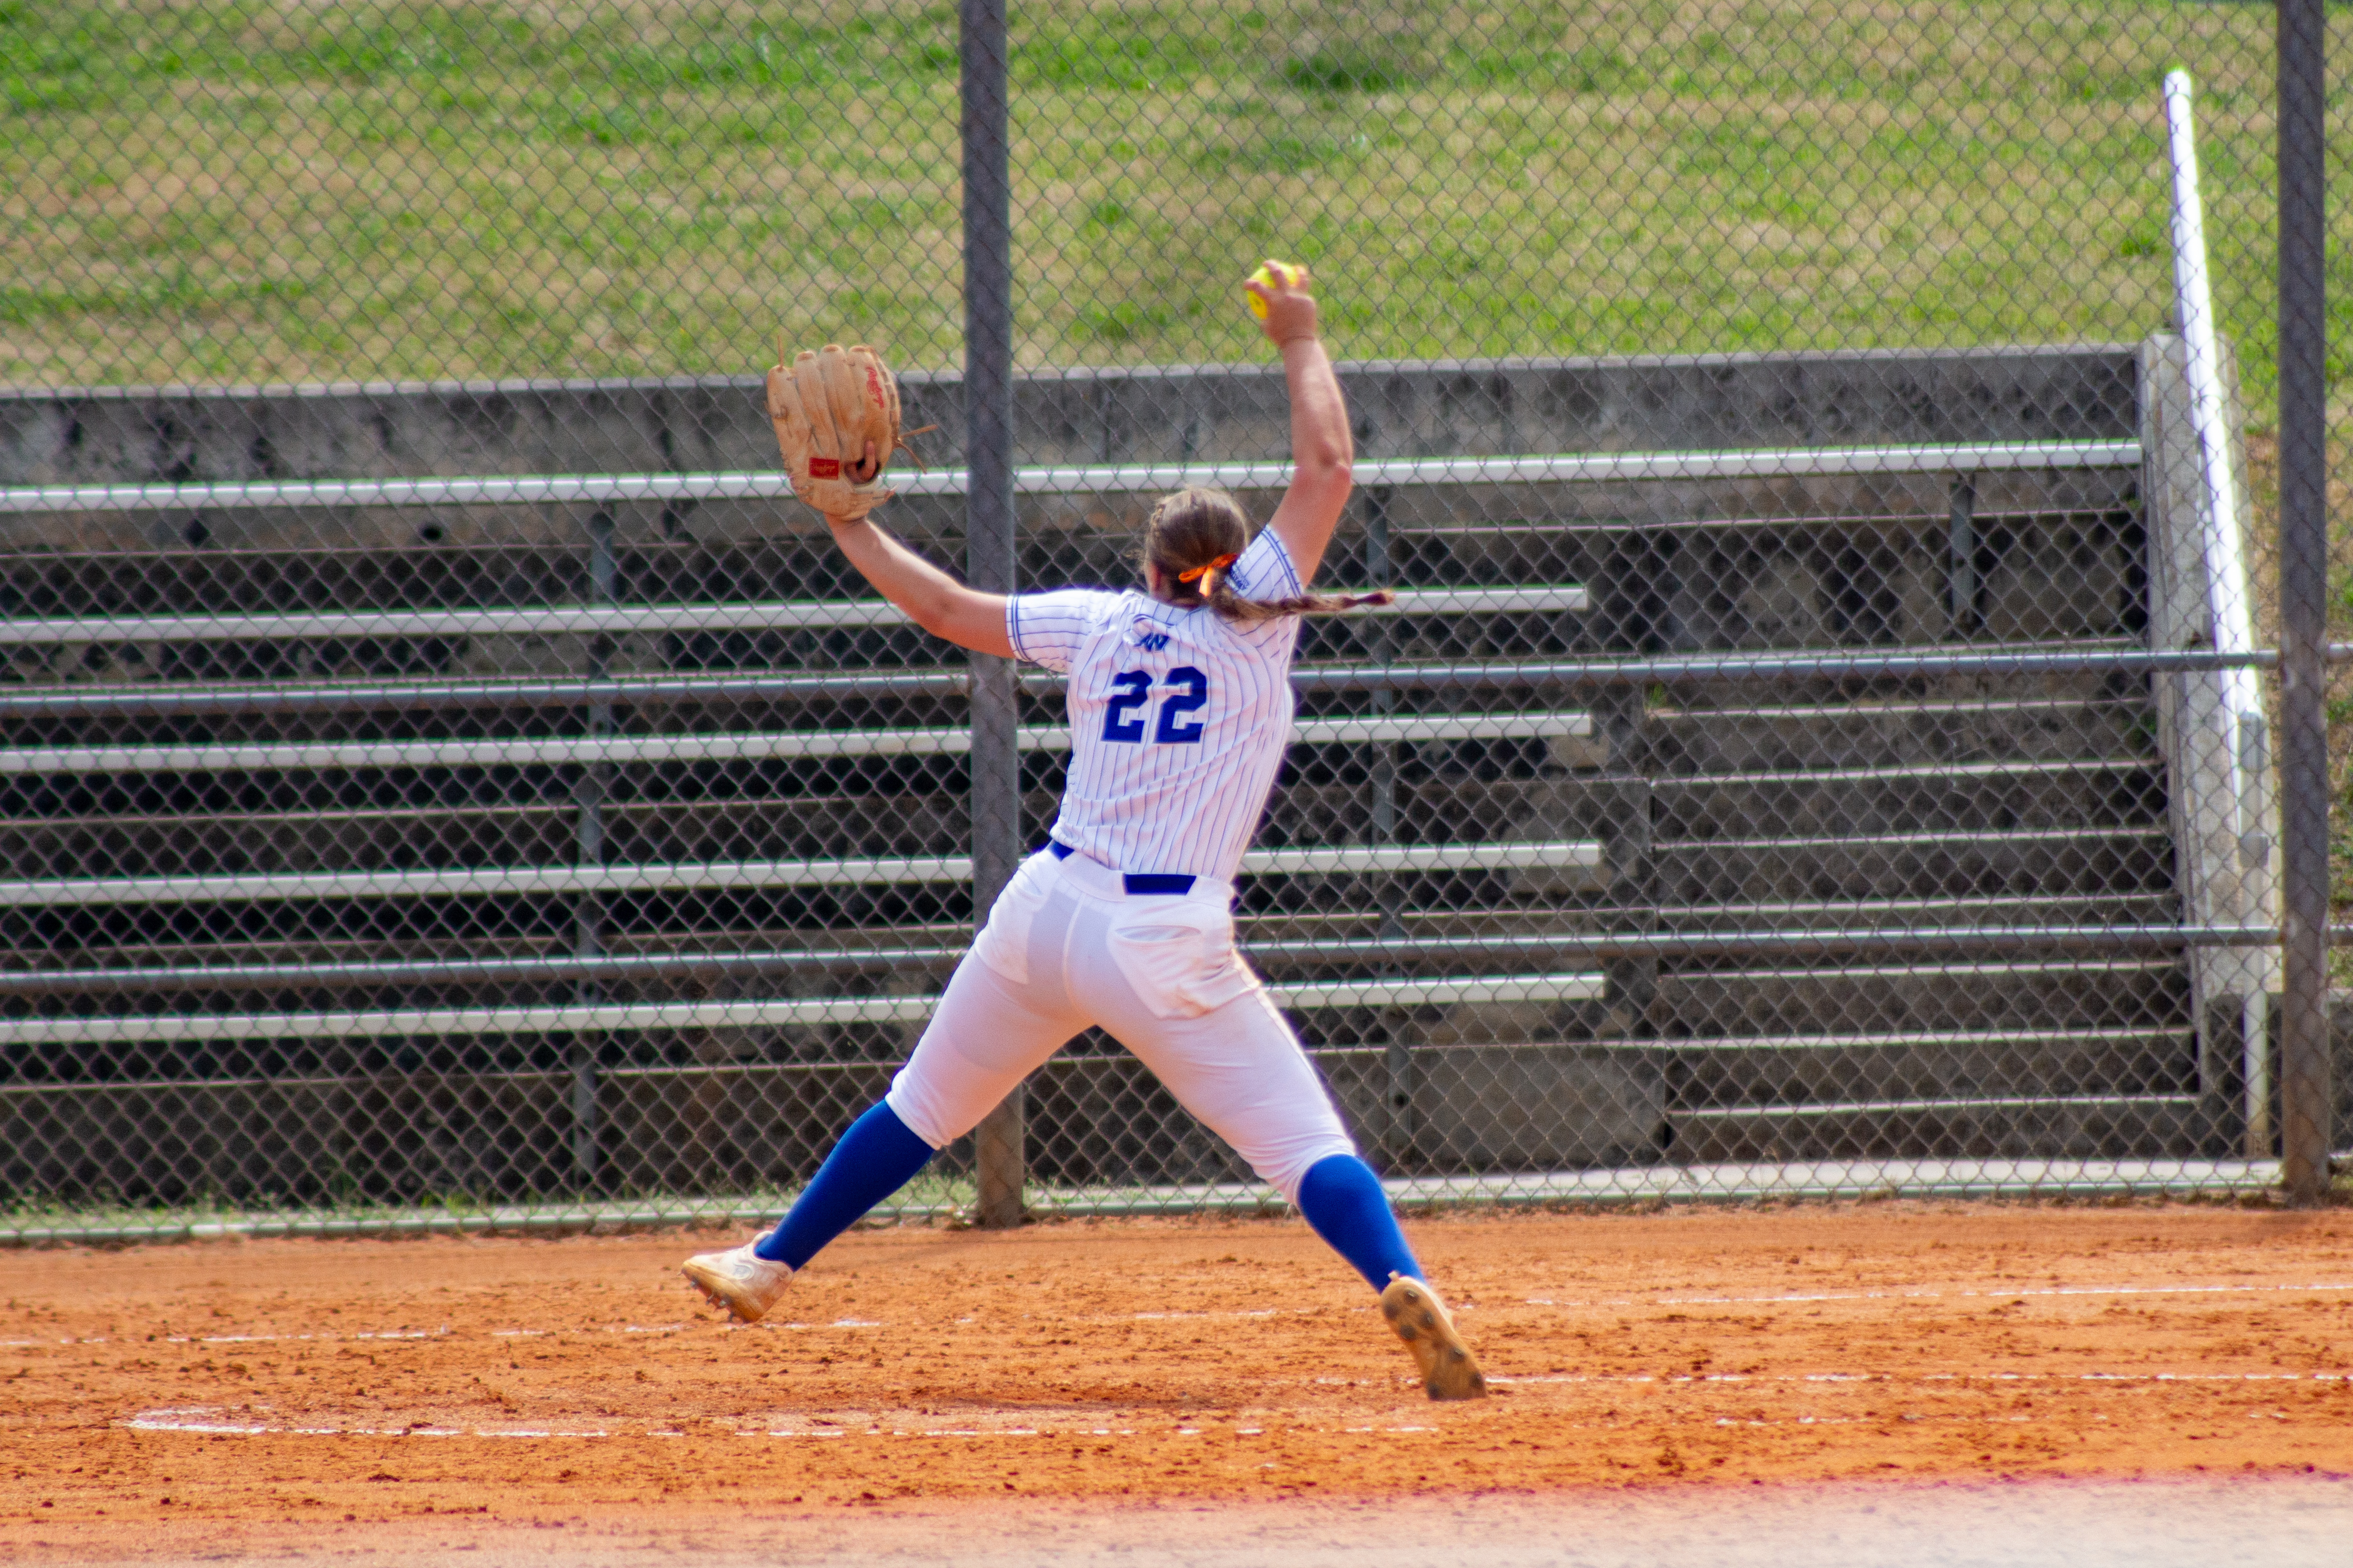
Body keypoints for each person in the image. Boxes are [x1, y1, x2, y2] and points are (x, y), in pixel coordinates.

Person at [683, 262, 1486, 1401]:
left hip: (1047, 913)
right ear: (1232, 566)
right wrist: (1299, 335)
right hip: (1164, 940)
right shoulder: (1255, 622)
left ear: (1150, 573)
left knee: (922, 1107)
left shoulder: (1104, 625)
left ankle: (769, 1264)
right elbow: (1328, 468)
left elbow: (942, 608)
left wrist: (849, 521)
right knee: (1305, 1146)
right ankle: (1400, 1280)